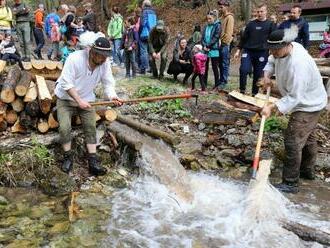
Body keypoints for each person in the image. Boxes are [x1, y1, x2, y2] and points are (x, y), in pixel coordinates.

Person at [261, 27, 328, 194]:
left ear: (287, 44)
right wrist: (267, 75)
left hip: (308, 104)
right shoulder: (280, 50)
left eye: (276, 49)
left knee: (293, 140)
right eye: (271, 48)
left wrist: (272, 107)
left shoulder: (298, 65)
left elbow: (294, 97)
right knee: (308, 138)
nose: (273, 52)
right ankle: (307, 171)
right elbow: (271, 59)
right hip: (307, 100)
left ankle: (290, 183)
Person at [55, 37, 122, 175]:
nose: (103, 59)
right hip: (66, 99)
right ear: (91, 51)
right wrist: (78, 101)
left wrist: (112, 96)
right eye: (101, 56)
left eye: (106, 57)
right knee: (64, 127)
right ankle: (68, 157)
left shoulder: (104, 63)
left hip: (87, 99)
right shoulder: (74, 59)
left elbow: (108, 82)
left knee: (90, 126)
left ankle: (93, 161)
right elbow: (66, 83)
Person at [234, 4, 276, 96]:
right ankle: (242, 91)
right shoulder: (251, 24)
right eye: (258, 11)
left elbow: (273, 40)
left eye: (261, 11)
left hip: (262, 52)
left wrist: (272, 51)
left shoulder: (271, 24)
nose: (259, 13)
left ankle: (254, 94)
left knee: (258, 74)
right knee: (243, 70)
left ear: (266, 12)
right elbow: (244, 38)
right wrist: (238, 50)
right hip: (248, 51)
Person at [201, 10, 221, 90]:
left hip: (214, 49)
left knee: (214, 67)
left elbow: (216, 37)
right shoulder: (206, 26)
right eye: (207, 19)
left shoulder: (217, 25)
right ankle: (204, 83)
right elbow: (202, 37)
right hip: (206, 49)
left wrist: (208, 45)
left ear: (214, 18)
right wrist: (204, 45)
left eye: (210, 19)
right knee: (205, 66)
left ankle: (217, 84)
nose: (208, 20)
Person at [218, 0, 234, 90]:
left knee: (224, 63)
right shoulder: (221, 18)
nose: (220, 9)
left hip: (225, 44)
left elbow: (229, 33)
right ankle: (221, 80)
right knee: (220, 63)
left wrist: (223, 42)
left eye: (222, 7)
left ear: (226, 7)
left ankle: (224, 82)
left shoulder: (230, 18)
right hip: (220, 44)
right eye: (219, 7)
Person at [139, 0, 157, 74]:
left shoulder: (144, 12)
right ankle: (152, 68)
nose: (142, 5)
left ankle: (143, 69)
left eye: (143, 4)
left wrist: (139, 32)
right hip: (153, 34)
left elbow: (143, 24)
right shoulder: (154, 12)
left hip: (145, 34)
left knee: (143, 51)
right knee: (151, 51)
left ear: (145, 5)